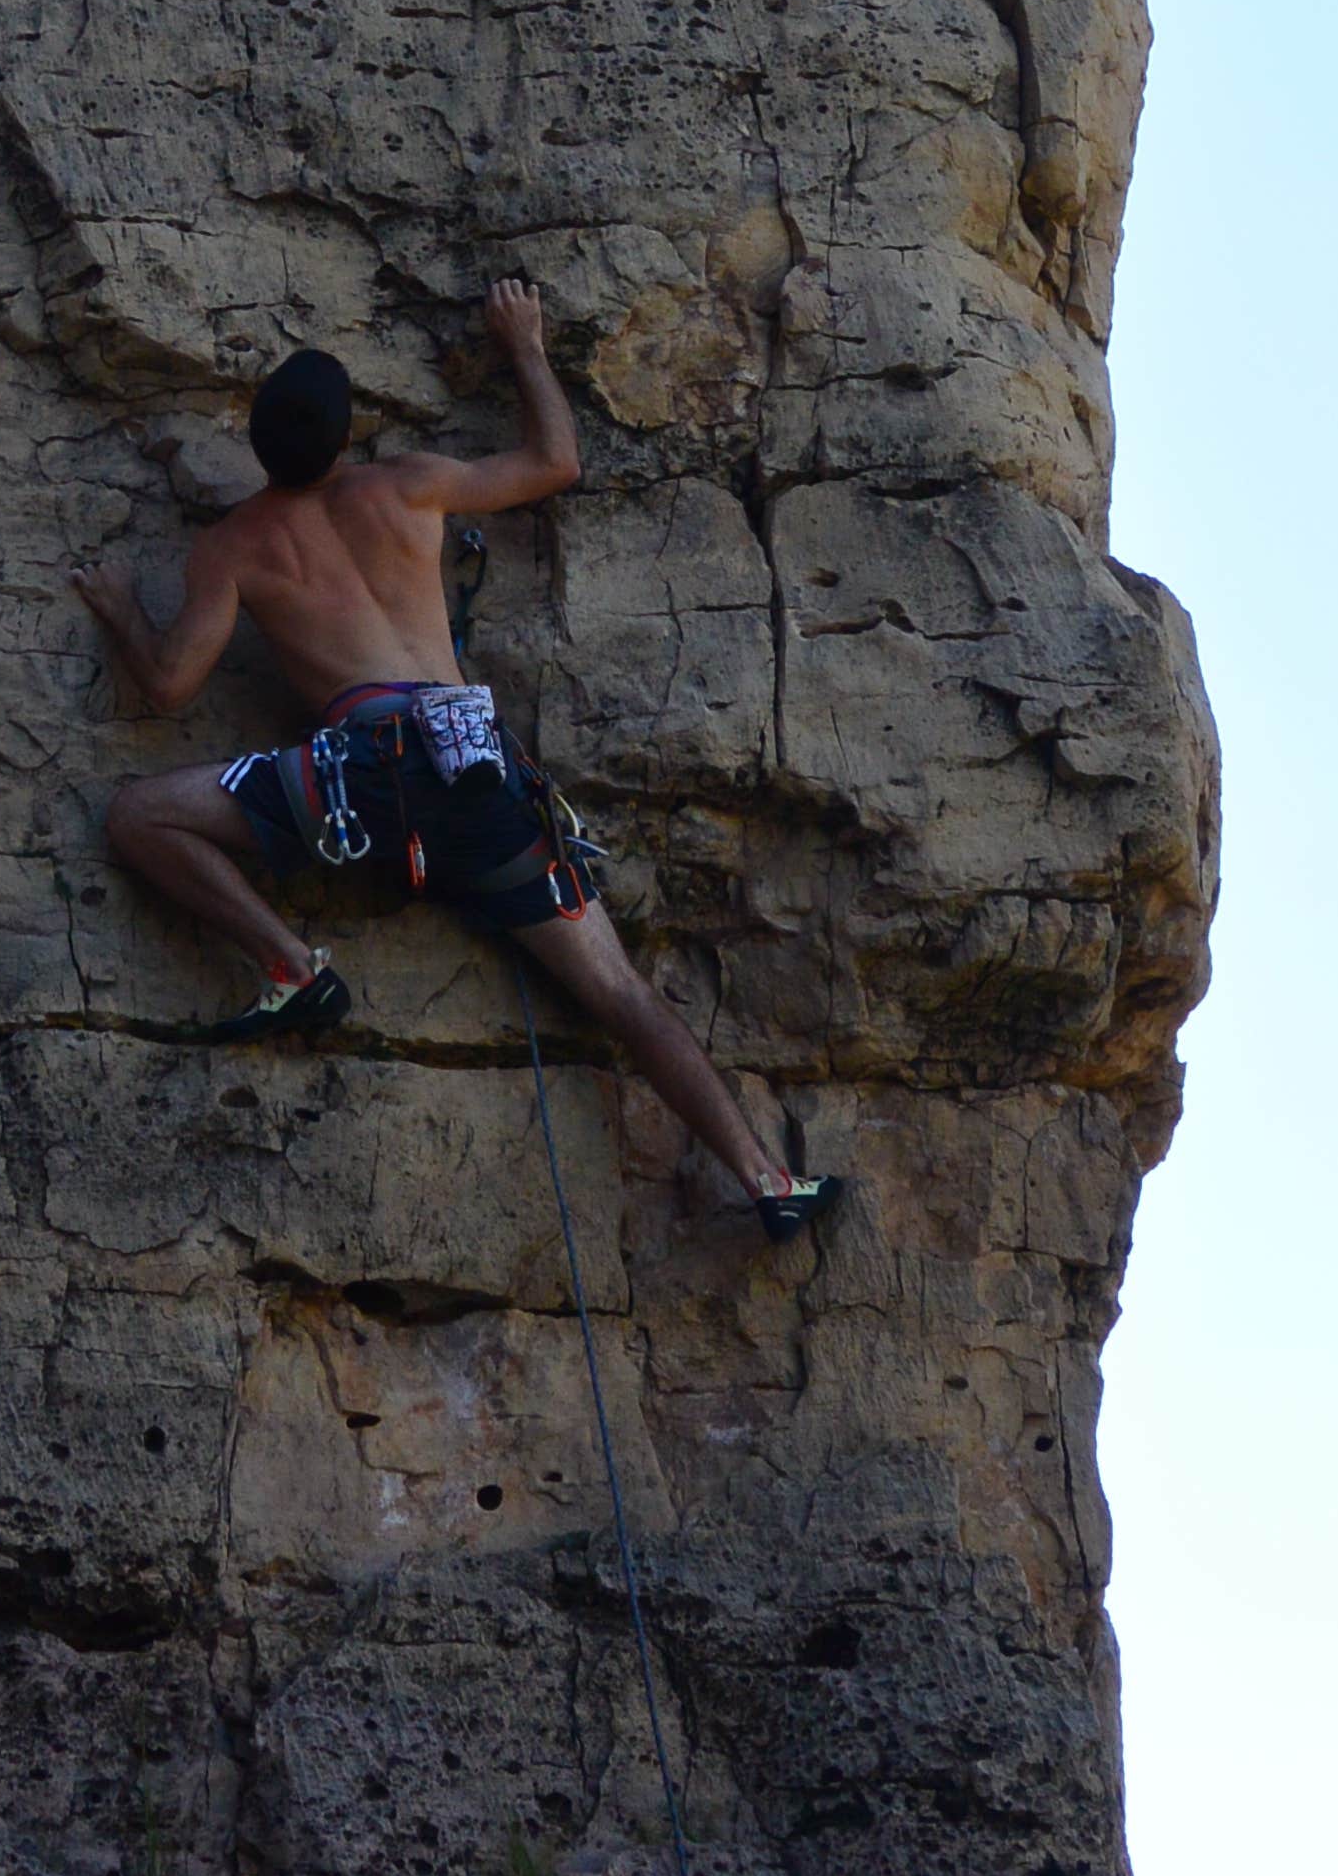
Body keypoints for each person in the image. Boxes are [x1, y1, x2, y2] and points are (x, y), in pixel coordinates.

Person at [70, 280, 833, 1234]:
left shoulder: (234, 546)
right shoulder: (406, 484)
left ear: (257, 443)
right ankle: (769, 1182)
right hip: (474, 769)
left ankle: (290, 965)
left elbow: (170, 685)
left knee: (139, 816)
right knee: (619, 992)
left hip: (359, 783)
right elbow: (555, 462)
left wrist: (123, 614)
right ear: (346, 439)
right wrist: (525, 345)